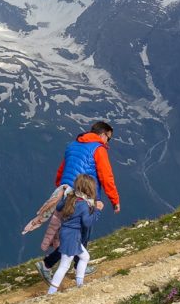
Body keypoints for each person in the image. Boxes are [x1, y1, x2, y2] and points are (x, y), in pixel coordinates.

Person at [36, 121, 120, 283]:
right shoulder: (98, 149)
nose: (108, 142)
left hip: (67, 191)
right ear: (102, 134)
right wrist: (114, 200)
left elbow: (62, 169)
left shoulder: (72, 145)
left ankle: (72, 265)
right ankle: (50, 264)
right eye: (108, 138)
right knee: (80, 232)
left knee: (71, 229)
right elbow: (106, 176)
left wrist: (60, 189)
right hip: (85, 193)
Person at [47, 174, 101, 294]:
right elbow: (87, 223)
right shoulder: (83, 205)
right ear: (89, 189)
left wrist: (66, 195)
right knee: (64, 265)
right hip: (72, 236)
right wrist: (97, 211)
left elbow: (59, 207)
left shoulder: (71, 198)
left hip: (67, 234)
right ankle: (51, 292)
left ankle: (80, 285)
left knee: (85, 257)